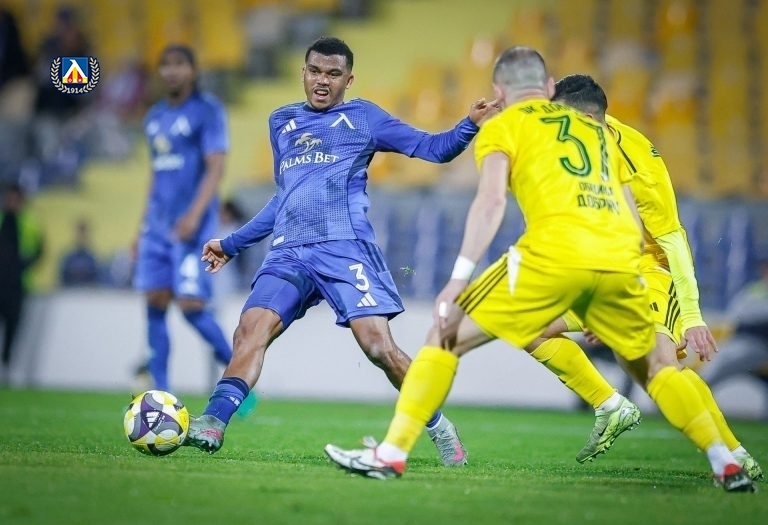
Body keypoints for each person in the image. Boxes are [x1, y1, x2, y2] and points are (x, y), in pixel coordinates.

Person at [323, 47, 756, 493]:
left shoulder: (506, 125)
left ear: (500, 91)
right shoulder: (602, 133)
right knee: (656, 370)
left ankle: (391, 454)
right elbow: (627, 211)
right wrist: (606, 291)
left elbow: (490, 203)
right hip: (618, 262)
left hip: (550, 255)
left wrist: (459, 276)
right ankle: (724, 459)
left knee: (444, 335)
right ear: (548, 87)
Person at [183, 36, 499, 467]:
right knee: (249, 332)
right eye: (315, 71)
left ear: (348, 80)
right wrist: (232, 243)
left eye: (333, 74)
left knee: (378, 348)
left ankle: (439, 425)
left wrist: (469, 124)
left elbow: (433, 148)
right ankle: (213, 421)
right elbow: (285, 197)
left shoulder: (364, 118)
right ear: (303, 73)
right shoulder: (281, 121)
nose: (322, 81)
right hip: (289, 252)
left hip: (344, 249)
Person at [133, 45, 242, 398]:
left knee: (192, 305)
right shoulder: (154, 117)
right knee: (155, 301)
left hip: (192, 228)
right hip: (156, 227)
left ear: (193, 70)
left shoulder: (207, 110)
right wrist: (140, 228)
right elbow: (155, 175)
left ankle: (238, 376)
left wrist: (194, 215)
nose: (171, 71)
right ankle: (159, 392)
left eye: (179, 64)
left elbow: (216, 167)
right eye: (165, 65)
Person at [701, 257, 768, 396]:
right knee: (720, 359)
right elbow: (734, 315)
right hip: (741, 341)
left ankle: (699, 389)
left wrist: (752, 318)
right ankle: (698, 389)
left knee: (727, 360)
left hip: (760, 344)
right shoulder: (755, 290)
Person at [0, 183, 44, 382]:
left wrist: (24, 265)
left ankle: (6, 366)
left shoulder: (30, 222)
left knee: (13, 327)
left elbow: (40, 250)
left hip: (17, 285)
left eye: (16, 199)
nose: (12, 202)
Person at [59, 218, 101, 286]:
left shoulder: (92, 259)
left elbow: (97, 280)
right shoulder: (68, 258)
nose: (82, 237)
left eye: (84, 233)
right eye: (80, 233)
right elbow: (62, 280)